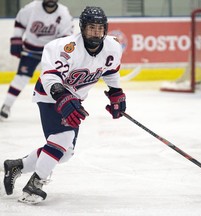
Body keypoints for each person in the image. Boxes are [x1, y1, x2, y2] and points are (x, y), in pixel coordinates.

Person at [2, 6, 126, 204]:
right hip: (50, 96)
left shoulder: (112, 47)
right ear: (82, 28)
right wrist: (63, 97)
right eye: (91, 28)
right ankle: (35, 183)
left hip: (74, 98)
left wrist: (116, 93)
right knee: (64, 137)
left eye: (100, 28)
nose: (96, 32)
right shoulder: (64, 47)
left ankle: (17, 166)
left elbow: (110, 71)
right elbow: (50, 76)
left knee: (65, 152)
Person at [0, 0, 73, 119]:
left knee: (59, 80)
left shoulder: (63, 13)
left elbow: (66, 36)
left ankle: (63, 108)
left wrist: (61, 53)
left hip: (51, 53)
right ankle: (6, 106)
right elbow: (20, 22)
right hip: (31, 50)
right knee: (21, 78)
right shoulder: (32, 8)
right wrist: (16, 39)